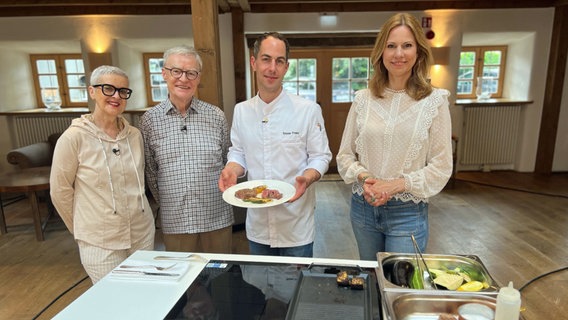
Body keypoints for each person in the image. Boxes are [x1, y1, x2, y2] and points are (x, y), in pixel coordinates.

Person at [336, 13, 453, 261]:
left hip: (408, 213)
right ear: (381, 53)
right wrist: (366, 178)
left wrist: (394, 186)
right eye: (391, 46)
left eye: (407, 45)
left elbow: (442, 167)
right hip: (363, 208)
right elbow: (345, 156)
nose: (398, 54)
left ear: (419, 52)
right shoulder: (362, 99)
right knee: (370, 282)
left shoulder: (435, 101)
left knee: (399, 288)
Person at [218, 32, 332, 258]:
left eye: (279, 61)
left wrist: (307, 177)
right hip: (258, 224)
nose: (272, 68)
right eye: (266, 59)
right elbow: (238, 152)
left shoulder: (307, 110)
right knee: (260, 288)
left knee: (297, 288)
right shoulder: (242, 110)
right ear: (254, 63)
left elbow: (321, 156)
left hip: (296, 222)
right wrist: (232, 169)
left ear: (286, 67)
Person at [50, 65, 155, 283]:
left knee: (144, 294)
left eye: (123, 91)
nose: (116, 96)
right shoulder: (73, 138)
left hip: (141, 233)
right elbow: (59, 191)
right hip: (100, 241)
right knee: (114, 304)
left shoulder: (134, 135)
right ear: (92, 91)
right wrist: (83, 230)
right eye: (108, 89)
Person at [140, 45, 234, 254]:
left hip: (216, 216)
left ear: (198, 78)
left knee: (220, 278)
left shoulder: (216, 116)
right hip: (176, 220)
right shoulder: (149, 121)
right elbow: (150, 171)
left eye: (191, 73)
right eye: (176, 71)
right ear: (164, 73)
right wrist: (170, 199)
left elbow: (228, 160)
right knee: (182, 281)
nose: (184, 79)